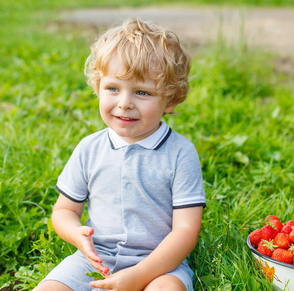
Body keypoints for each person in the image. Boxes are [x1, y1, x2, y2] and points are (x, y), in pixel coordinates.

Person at [33, 17, 206, 291]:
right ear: (97, 87)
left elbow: (186, 231)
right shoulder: (89, 148)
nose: (124, 103)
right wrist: (76, 234)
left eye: (142, 92)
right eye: (113, 88)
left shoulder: (180, 153)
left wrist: (138, 276)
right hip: (94, 261)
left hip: (158, 264)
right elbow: (64, 210)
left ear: (171, 100)